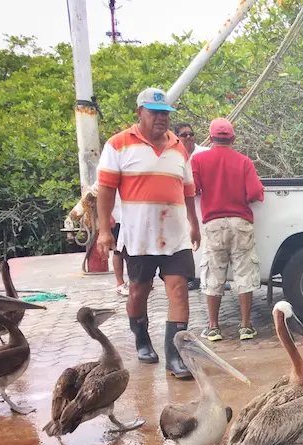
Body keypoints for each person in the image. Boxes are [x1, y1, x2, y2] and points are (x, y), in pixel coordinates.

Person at [95, 87, 201, 380]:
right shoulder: (118, 145)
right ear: (139, 112)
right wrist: (105, 230)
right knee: (139, 290)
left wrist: (193, 223)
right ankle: (142, 339)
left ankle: (176, 357)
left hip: (176, 234)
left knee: (179, 289)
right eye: (155, 112)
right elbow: (105, 190)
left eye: (165, 114)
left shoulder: (179, 147)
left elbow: (188, 190)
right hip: (139, 235)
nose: (161, 119)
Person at [191, 118, 264, 341]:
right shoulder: (244, 161)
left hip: (213, 223)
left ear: (211, 138)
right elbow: (254, 192)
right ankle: (245, 326)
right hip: (240, 222)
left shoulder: (198, 160)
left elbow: (192, 189)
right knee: (244, 273)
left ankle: (213, 327)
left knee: (213, 273)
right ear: (232, 138)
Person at [174, 122, 210, 290]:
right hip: (181, 209)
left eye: (191, 133)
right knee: (186, 243)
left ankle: (209, 278)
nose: (189, 137)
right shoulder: (173, 155)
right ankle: (190, 276)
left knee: (206, 245)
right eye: (184, 134)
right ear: (177, 137)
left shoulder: (205, 153)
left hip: (204, 206)